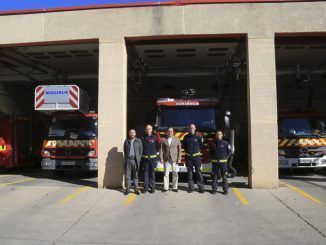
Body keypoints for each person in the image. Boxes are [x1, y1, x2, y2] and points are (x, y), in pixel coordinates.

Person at [183, 123, 204, 193]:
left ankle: (201, 188)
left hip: (197, 157)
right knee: (190, 172)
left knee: (198, 172)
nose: (192, 129)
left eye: (193, 128)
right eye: (190, 128)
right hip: (188, 157)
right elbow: (184, 146)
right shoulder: (186, 137)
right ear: (189, 128)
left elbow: (201, 145)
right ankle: (190, 188)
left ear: (195, 128)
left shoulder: (199, 137)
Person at [159, 127, 182, 192]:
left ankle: (175, 187)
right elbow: (161, 150)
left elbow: (179, 149)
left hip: (174, 159)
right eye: (169, 131)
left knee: (175, 173)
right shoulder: (164, 139)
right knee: (166, 174)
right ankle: (166, 187)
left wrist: (179, 158)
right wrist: (161, 158)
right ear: (167, 132)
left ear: (173, 132)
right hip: (166, 159)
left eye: (171, 131)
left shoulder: (177, 139)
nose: (170, 132)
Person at [211, 130, 231, 195]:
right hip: (215, 163)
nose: (218, 135)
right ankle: (214, 189)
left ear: (222, 135)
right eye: (217, 134)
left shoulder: (226, 143)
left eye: (220, 134)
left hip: (223, 163)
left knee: (224, 176)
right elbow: (210, 152)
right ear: (216, 135)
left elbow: (229, 151)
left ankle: (225, 190)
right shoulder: (213, 144)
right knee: (215, 176)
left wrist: (226, 157)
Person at [123, 129, 143, 195]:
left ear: (135, 133)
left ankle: (136, 189)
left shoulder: (139, 141)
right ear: (129, 134)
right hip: (128, 160)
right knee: (128, 176)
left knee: (135, 175)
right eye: (131, 132)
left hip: (135, 161)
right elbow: (125, 151)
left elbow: (141, 151)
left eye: (133, 132)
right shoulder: (126, 141)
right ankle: (127, 189)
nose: (132, 134)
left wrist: (138, 159)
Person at [141, 124, 160, 194]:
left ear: (151, 130)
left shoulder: (155, 137)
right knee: (145, 174)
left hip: (152, 159)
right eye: (147, 129)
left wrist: (155, 153)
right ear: (146, 130)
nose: (148, 130)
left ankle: (152, 188)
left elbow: (158, 145)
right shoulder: (143, 138)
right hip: (145, 159)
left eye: (149, 129)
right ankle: (145, 188)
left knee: (152, 174)